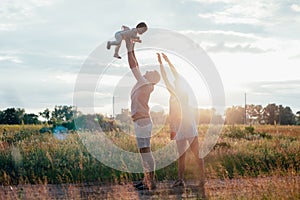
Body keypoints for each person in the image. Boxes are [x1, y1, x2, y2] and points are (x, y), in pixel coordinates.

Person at [157, 53, 206, 195]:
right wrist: (161, 64)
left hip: (189, 125)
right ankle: (180, 180)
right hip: (179, 128)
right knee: (181, 155)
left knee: (196, 153)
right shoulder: (171, 94)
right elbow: (166, 78)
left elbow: (175, 74)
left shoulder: (182, 92)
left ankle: (202, 178)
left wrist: (168, 61)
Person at [125, 38, 160, 190]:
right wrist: (131, 48)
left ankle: (150, 182)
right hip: (141, 121)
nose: (148, 71)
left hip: (143, 122)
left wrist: (129, 47)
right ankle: (146, 180)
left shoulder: (145, 84)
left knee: (146, 152)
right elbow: (136, 65)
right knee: (143, 153)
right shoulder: (143, 83)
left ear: (151, 79)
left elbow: (133, 66)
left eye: (151, 72)